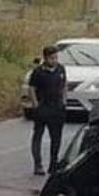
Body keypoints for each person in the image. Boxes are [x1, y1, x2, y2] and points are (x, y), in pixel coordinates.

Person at [28, 45, 67, 176]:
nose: (54, 60)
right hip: (43, 107)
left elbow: (64, 85)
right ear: (45, 58)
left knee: (56, 138)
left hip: (57, 108)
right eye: (51, 58)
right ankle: (38, 164)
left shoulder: (61, 69)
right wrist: (35, 105)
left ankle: (53, 164)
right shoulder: (38, 72)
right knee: (38, 135)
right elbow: (31, 88)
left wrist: (64, 100)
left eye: (56, 57)